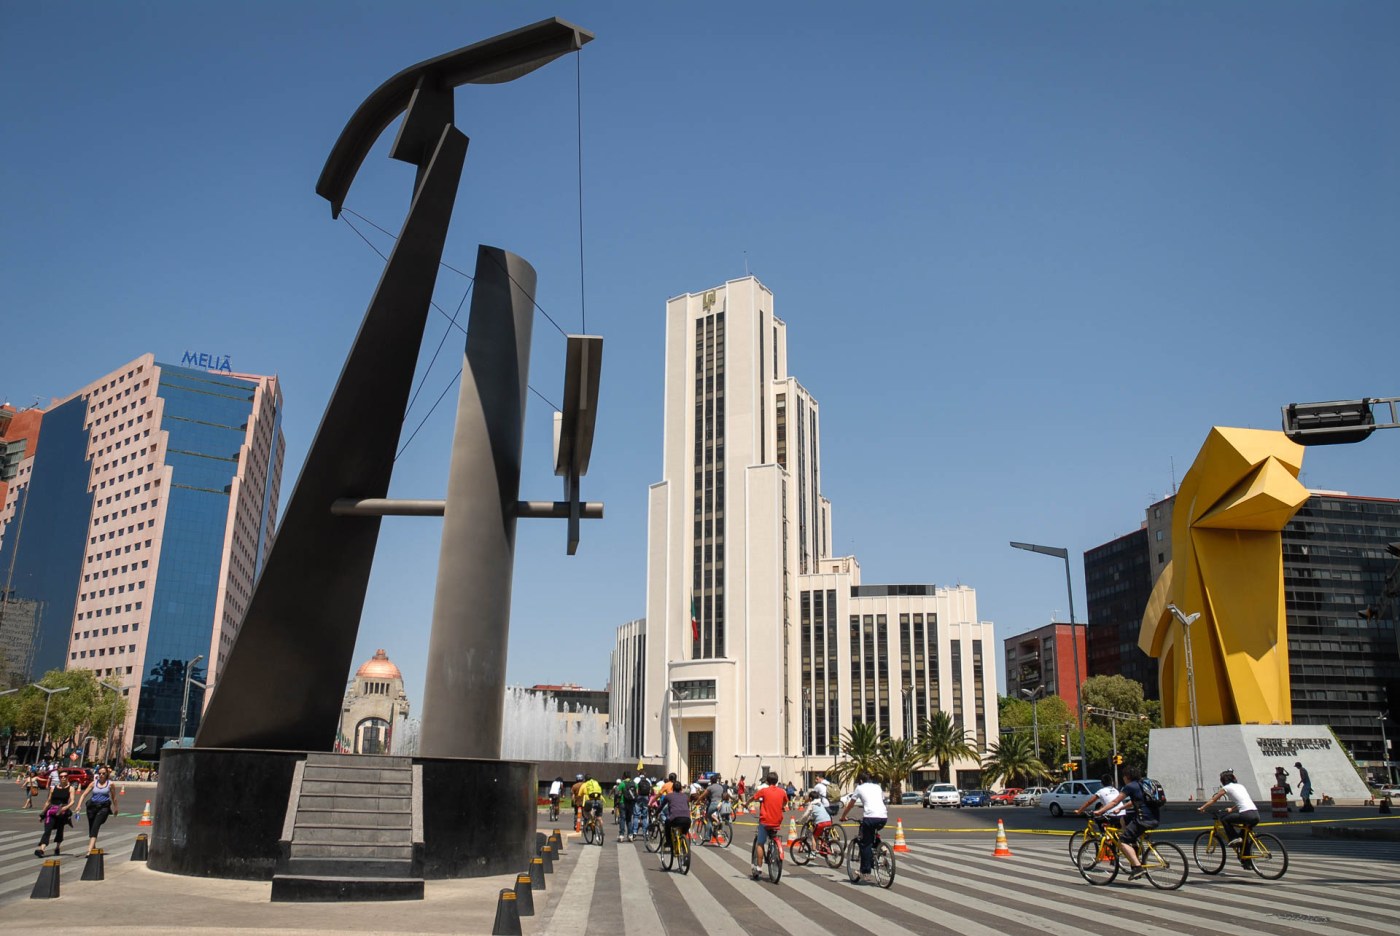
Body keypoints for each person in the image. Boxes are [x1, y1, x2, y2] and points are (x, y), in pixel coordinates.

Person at [1093, 765, 1160, 880]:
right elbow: (1133, 802)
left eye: (1123, 776)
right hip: (1155, 818)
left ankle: (1138, 867)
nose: (1123, 778)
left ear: (1127, 776)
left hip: (1143, 820)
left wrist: (1100, 811)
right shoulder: (1143, 784)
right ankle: (1133, 845)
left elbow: (1114, 802)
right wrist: (1121, 808)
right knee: (1123, 819)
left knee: (1122, 841)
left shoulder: (1130, 786)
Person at [838, 770, 888, 884]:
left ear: (860, 780)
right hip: (883, 817)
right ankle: (880, 845)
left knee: (865, 843)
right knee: (872, 833)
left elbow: (850, 804)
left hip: (870, 818)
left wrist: (843, 816)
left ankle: (865, 872)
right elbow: (882, 800)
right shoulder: (877, 787)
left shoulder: (859, 788)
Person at [1198, 769, 1259, 847]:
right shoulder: (1241, 786)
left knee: (1224, 819)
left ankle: (1234, 838)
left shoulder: (1226, 788)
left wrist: (1202, 808)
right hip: (1256, 814)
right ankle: (1246, 858)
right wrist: (1232, 809)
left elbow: (1213, 799)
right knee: (1243, 838)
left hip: (1246, 815)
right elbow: (1242, 801)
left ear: (1223, 781)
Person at [750, 771, 789, 879]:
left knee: (760, 843)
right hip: (777, 821)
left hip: (765, 821)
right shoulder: (782, 792)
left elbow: (753, 798)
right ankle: (774, 849)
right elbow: (786, 803)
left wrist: (746, 803)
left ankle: (759, 867)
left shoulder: (764, 791)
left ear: (767, 781)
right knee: (773, 836)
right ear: (777, 781)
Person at [74, 764, 119, 853]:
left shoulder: (110, 784)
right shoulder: (94, 783)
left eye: (103, 773)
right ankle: (93, 847)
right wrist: (78, 806)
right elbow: (83, 795)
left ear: (107, 774)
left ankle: (89, 850)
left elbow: (114, 797)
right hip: (92, 807)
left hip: (103, 807)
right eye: (100, 773)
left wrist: (116, 808)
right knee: (91, 826)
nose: (101, 775)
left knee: (96, 826)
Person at [35, 770, 74, 858]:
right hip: (51, 812)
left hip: (62, 813)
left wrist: (65, 807)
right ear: (59, 778)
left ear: (68, 777)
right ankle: (42, 850)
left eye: (65, 776)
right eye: (61, 776)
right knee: (47, 830)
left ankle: (57, 847)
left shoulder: (71, 788)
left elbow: (72, 801)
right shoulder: (53, 788)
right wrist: (42, 814)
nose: (63, 778)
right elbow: (48, 802)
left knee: (60, 830)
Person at [658, 772, 691, 859]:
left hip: (675, 819)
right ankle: (684, 847)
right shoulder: (685, 796)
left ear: (672, 788)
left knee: (667, 823)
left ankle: (668, 842)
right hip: (687, 820)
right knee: (683, 833)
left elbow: (661, 807)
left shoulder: (669, 796)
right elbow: (687, 807)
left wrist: (656, 813)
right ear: (681, 788)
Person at [631, 770, 652, 839]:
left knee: (636, 816)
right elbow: (650, 790)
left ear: (638, 774)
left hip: (639, 798)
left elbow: (633, 788)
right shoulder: (648, 780)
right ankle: (645, 832)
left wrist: (635, 796)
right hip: (646, 798)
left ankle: (634, 832)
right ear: (644, 774)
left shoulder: (636, 779)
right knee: (645, 816)